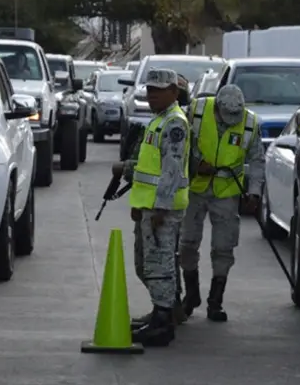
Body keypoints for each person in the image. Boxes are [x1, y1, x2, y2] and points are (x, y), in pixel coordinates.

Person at [110, 68, 191, 347]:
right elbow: (149, 168)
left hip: (162, 210)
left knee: (160, 266)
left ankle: (163, 322)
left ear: (174, 92)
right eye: (149, 90)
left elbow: (171, 169)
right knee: (147, 264)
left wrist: (160, 208)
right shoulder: (159, 119)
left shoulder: (174, 123)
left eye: (159, 90)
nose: (152, 95)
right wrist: (139, 203)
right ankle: (160, 312)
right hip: (149, 205)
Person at [179, 84, 265, 322]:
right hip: (196, 188)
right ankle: (191, 295)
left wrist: (254, 193)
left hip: (227, 192)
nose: (230, 121)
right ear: (216, 107)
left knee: (223, 247)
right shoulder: (196, 111)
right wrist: (196, 164)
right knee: (187, 242)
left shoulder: (249, 123)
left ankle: (215, 302)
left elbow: (257, 160)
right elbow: (179, 145)